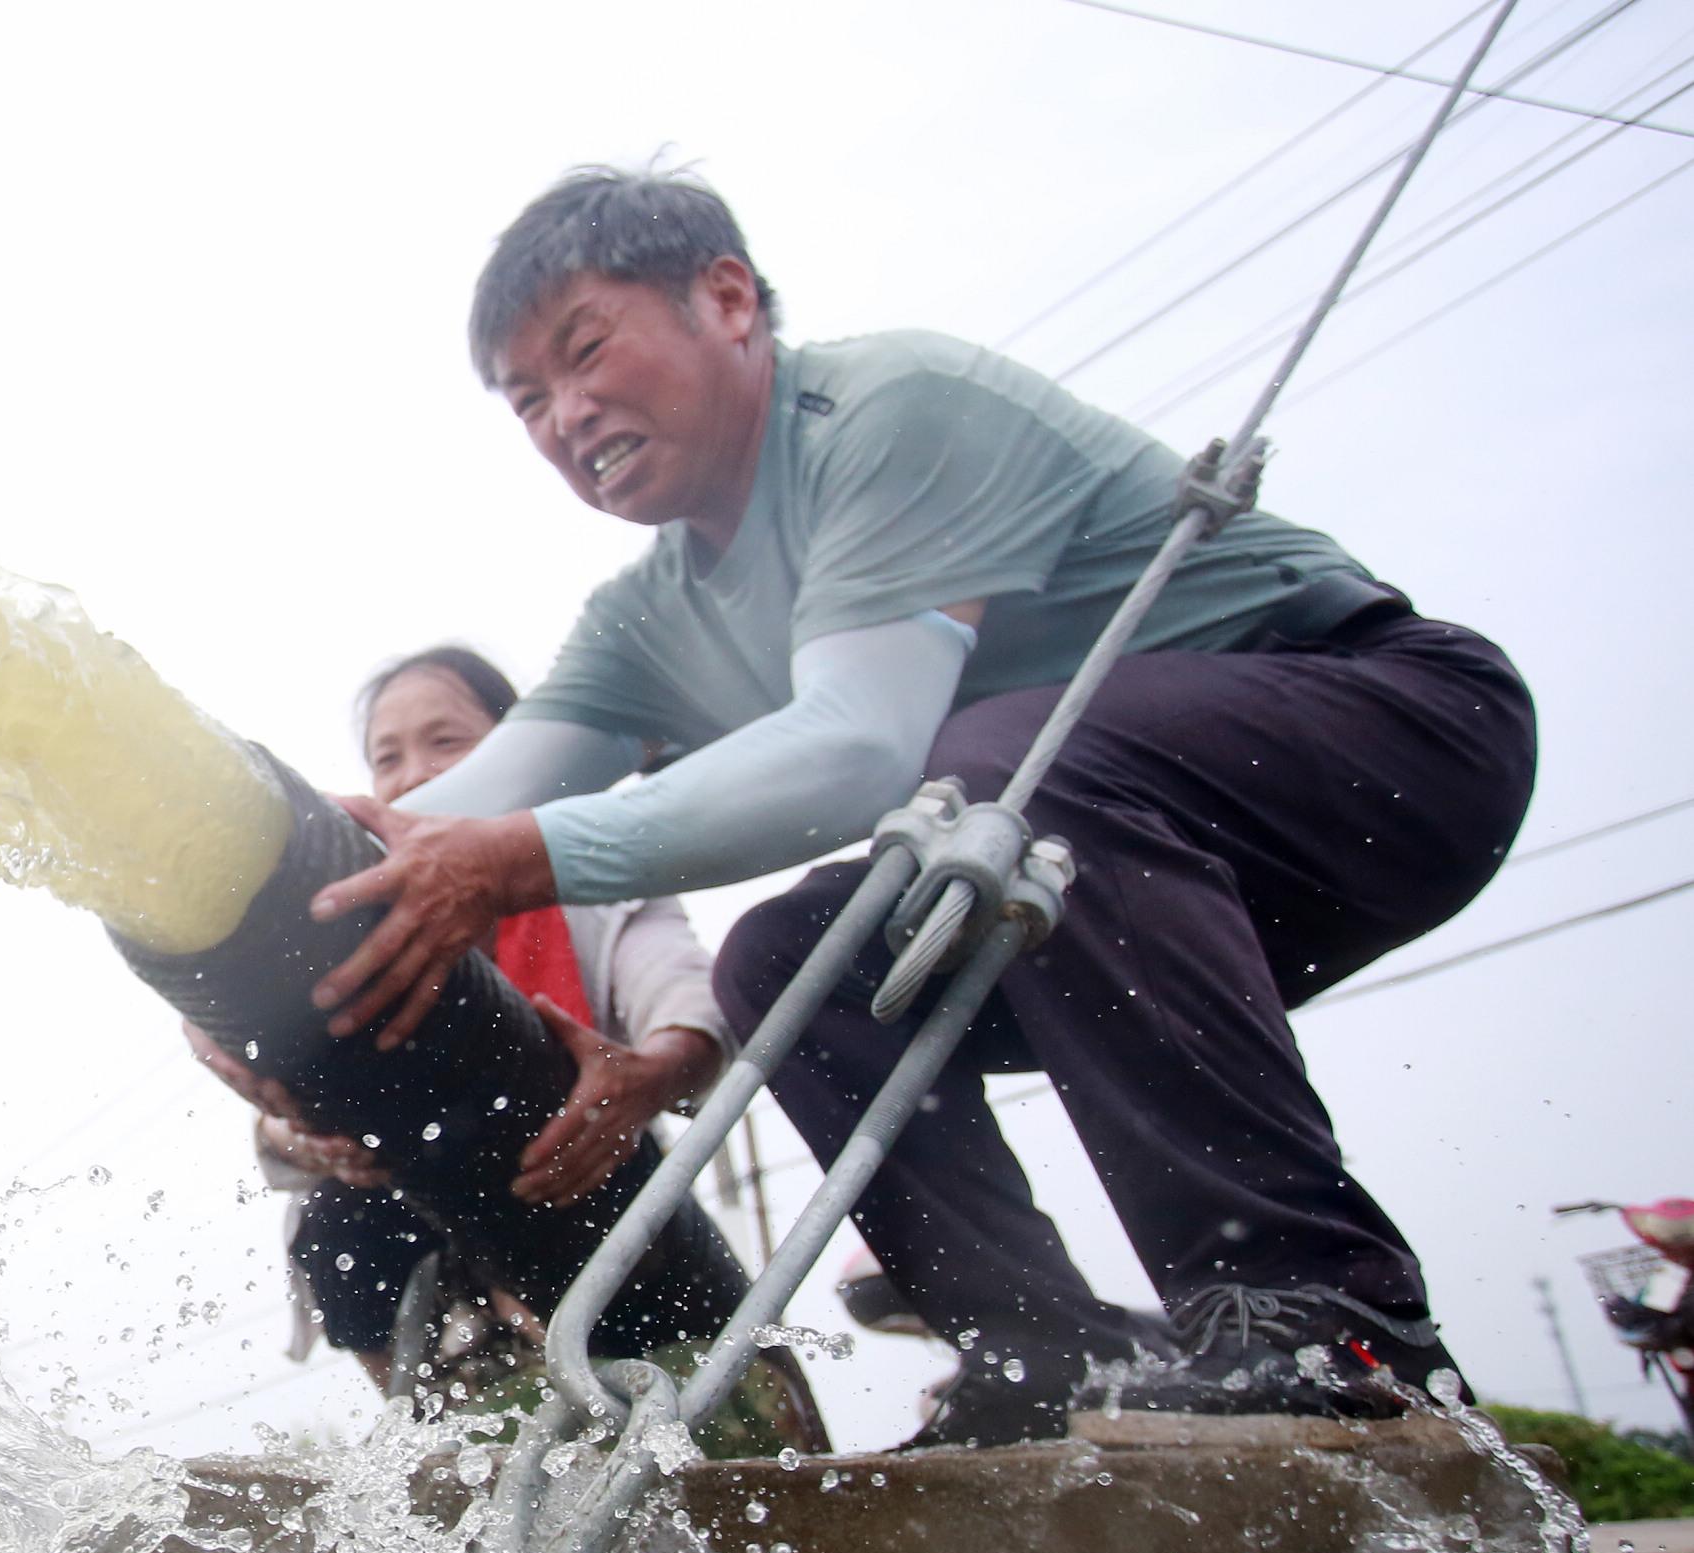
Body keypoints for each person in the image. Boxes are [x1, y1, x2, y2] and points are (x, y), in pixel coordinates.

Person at [305, 165, 1533, 1445]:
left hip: (1389, 738)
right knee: (789, 962)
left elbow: (855, 746)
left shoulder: (889, 411)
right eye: (526, 400)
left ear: (725, 299)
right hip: (1127, 880)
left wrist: (510, 863)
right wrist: (291, 913)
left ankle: (1318, 1313)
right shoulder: (641, 617)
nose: (565, 413)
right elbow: (454, 809)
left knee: (998, 774)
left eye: (584, 349)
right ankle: (1036, 1359)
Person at [208, 645, 730, 1384]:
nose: (416, 772)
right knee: (341, 1224)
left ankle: (606, 1375)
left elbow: (689, 1003)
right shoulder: (355, 921)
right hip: (421, 1221)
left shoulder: (590, 887)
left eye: (446, 741)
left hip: (575, 1186)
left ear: (522, 752)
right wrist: (295, 1132)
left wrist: (647, 1076)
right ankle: (431, 1439)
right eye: (388, 757)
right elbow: (286, 1091)